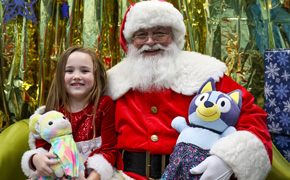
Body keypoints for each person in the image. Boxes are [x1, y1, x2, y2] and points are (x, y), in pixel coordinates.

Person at [106, 1, 272, 180]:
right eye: (141, 35)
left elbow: (252, 117)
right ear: (130, 41)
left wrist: (228, 159)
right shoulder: (113, 81)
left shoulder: (205, 72)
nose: (150, 41)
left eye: (160, 33)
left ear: (175, 36)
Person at [21, 45, 131, 180]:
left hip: (94, 176)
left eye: (84, 71)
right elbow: (42, 148)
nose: (77, 76)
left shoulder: (104, 105)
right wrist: (35, 159)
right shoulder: (53, 110)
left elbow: (109, 150)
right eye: (69, 71)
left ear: (96, 76)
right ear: (61, 76)